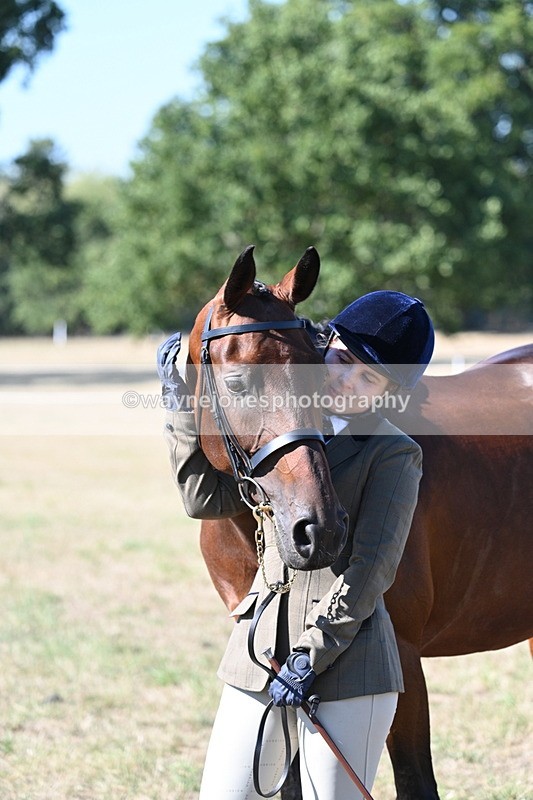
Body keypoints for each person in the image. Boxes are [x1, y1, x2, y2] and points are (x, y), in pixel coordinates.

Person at [158, 290, 434, 800]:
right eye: (342, 359)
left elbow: (371, 570)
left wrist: (312, 653)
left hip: (350, 663)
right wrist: (179, 397)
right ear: (322, 345)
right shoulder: (281, 429)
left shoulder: (395, 453)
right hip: (259, 653)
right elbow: (203, 499)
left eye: (367, 378)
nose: (344, 380)